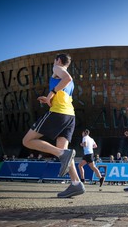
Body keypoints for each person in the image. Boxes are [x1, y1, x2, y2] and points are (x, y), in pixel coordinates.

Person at [22, 53, 84, 198]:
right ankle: (76, 184)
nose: (53, 63)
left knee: (27, 140)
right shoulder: (65, 76)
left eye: (55, 61)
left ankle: (62, 154)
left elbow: (67, 78)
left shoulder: (57, 68)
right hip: (70, 115)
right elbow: (64, 88)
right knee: (63, 151)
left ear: (58, 61)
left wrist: (50, 94)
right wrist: (50, 98)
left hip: (58, 113)